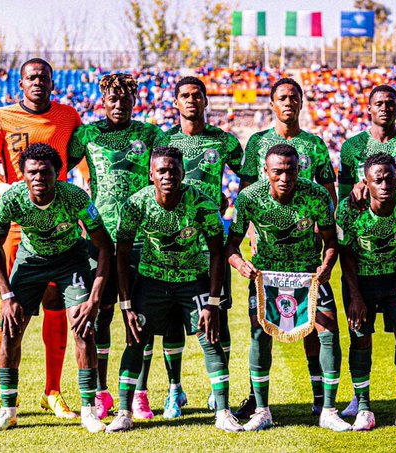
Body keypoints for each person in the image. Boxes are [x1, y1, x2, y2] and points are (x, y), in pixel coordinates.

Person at [105, 146, 242, 433]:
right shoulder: (135, 203)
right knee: (135, 339)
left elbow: (217, 253)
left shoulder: (202, 203)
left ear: (183, 173)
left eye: (174, 170)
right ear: (151, 173)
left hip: (193, 280)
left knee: (211, 338)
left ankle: (223, 411)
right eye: (162, 171)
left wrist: (213, 302)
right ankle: (124, 412)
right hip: (151, 281)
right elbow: (122, 253)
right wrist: (126, 305)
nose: (169, 176)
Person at [0, 58, 82, 420]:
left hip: (60, 222)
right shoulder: (0, 118)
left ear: (54, 83)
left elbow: (83, 165)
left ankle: (52, 391)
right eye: (31, 77)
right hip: (18, 226)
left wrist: (84, 192)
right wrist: (9, 191)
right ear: (20, 83)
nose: (38, 82)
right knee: (12, 310)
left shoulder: (68, 117)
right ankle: (6, 397)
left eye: (45, 77)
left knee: (57, 304)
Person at [0, 143, 113, 433]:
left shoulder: (75, 197)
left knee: (83, 329)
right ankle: (8, 409)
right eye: (32, 173)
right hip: (31, 261)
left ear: (58, 174)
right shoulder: (11, 199)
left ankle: (89, 411)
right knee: (10, 329)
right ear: (23, 174)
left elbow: (104, 245)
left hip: (72, 260)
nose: (39, 178)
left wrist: (94, 297)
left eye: (46, 173)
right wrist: (6, 296)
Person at [226, 144, 351, 432]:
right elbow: (231, 245)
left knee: (328, 330)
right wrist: (241, 264)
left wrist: (327, 265)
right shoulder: (249, 197)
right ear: (266, 172)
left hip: (308, 275)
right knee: (260, 335)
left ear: (299, 170)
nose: (285, 177)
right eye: (278, 172)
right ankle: (262, 410)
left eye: (291, 171)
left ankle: (328, 409)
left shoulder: (316, 195)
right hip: (267, 277)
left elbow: (332, 242)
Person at [236, 77, 337, 418]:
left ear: (303, 102)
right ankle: (257, 399)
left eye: (295, 97)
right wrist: (251, 233)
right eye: (282, 97)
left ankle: (320, 398)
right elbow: (246, 192)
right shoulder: (257, 143)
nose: (289, 102)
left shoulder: (315, 145)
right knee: (260, 327)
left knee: (314, 327)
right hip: (268, 256)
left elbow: (328, 194)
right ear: (272, 103)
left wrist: (326, 234)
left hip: (306, 256)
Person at [67, 73, 161, 420]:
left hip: (143, 236)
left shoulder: (150, 134)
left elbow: (172, 169)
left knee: (141, 316)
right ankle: (103, 391)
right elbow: (58, 170)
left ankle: (140, 392)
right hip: (100, 239)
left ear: (134, 101)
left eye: (125, 99)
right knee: (101, 315)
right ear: (102, 101)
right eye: (112, 100)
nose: (119, 105)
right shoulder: (87, 135)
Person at [150, 76, 244, 419]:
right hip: (170, 245)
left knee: (218, 314)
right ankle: (175, 389)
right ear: (176, 102)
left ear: (206, 100)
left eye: (197, 95)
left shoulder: (224, 142)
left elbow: (248, 178)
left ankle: (216, 390)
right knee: (173, 319)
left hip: (210, 244)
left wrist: (231, 201)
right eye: (185, 96)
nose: (191, 100)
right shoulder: (163, 140)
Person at [338, 84, 396, 418]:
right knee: (359, 331)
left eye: (390, 103)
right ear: (368, 108)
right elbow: (345, 194)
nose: (384, 108)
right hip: (364, 257)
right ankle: (359, 399)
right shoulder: (352, 147)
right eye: (378, 103)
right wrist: (360, 190)